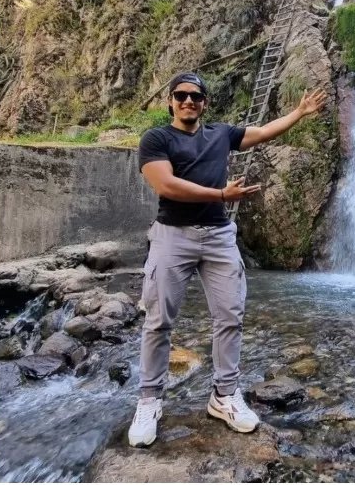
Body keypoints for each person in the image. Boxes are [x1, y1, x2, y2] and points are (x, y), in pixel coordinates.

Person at [127, 71, 326, 447]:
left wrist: (298, 113)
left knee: (230, 316)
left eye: (196, 96)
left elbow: (264, 132)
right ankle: (150, 400)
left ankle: (224, 396)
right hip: (173, 236)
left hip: (219, 238)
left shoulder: (221, 134)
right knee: (158, 321)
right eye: (182, 95)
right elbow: (165, 184)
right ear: (170, 101)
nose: (189, 101)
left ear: (204, 103)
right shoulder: (157, 138)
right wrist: (220, 195)